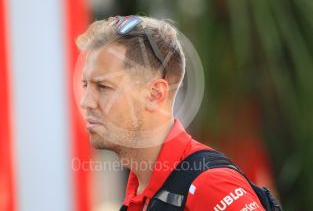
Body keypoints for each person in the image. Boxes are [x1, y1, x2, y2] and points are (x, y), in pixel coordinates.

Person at [77, 15, 268, 210]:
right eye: (85, 85)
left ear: (154, 94)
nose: (86, 102)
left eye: (103, 87)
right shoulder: (139, 191)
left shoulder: (210, 184)